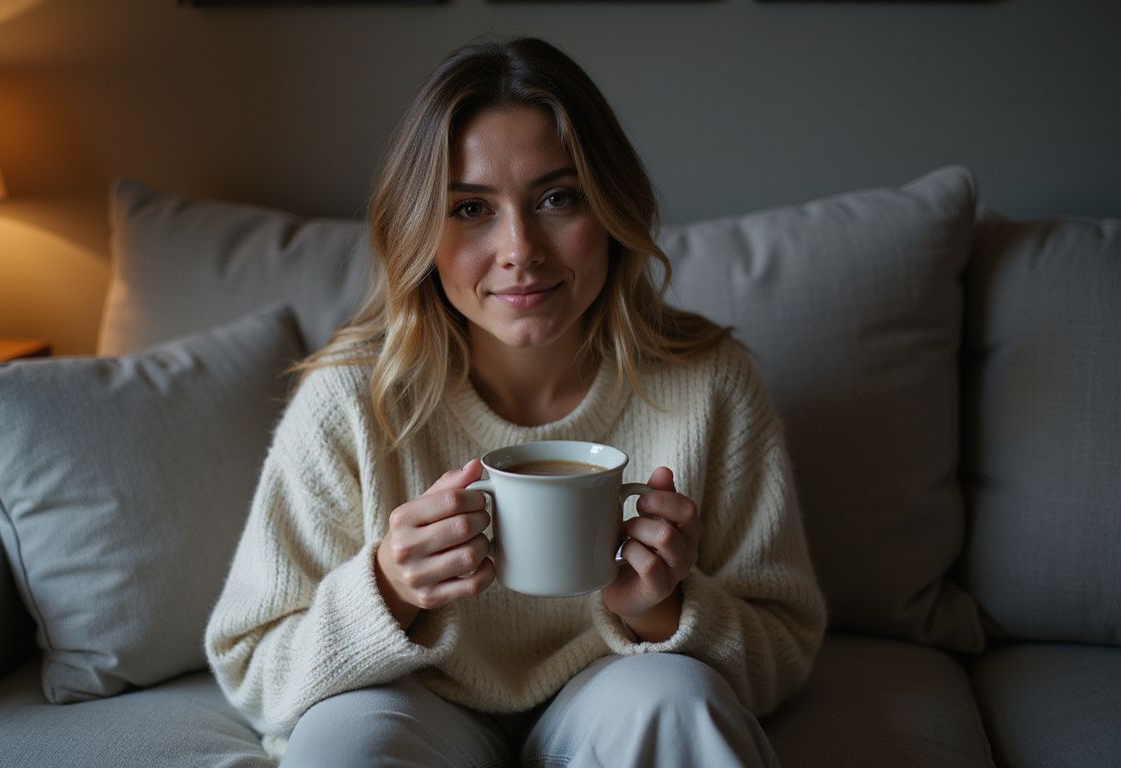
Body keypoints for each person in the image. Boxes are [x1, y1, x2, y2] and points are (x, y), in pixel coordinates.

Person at [205, 36, 826, 767]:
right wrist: (390, 587)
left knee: (678, 702)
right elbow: (253, 668)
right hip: (413, 701)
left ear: (612, 208)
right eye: (470, 208)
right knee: (345, 745)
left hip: (618, 689)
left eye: (558, 198)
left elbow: (783, 647)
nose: (520, 249)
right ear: (418, 231)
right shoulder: (351, 399)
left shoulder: (708, 384)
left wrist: (663, 609)